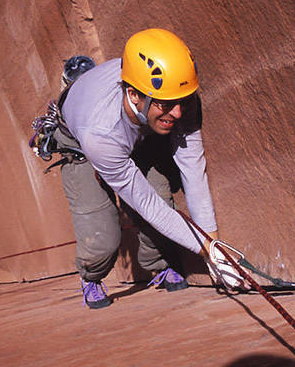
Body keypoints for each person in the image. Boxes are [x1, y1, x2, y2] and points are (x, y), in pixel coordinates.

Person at [54, 28, 218, 309]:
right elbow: (147, 205)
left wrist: (213, 246)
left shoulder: (177, 94)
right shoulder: (99, 133)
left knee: (162, 197)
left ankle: (159, 263)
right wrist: (211, 253)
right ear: (133, 94)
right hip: (82, 142)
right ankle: (91, 277)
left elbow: (193, 170)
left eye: (181, 103)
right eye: (167, 105)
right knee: (103, 239)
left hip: (137, 129)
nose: (178, 114)